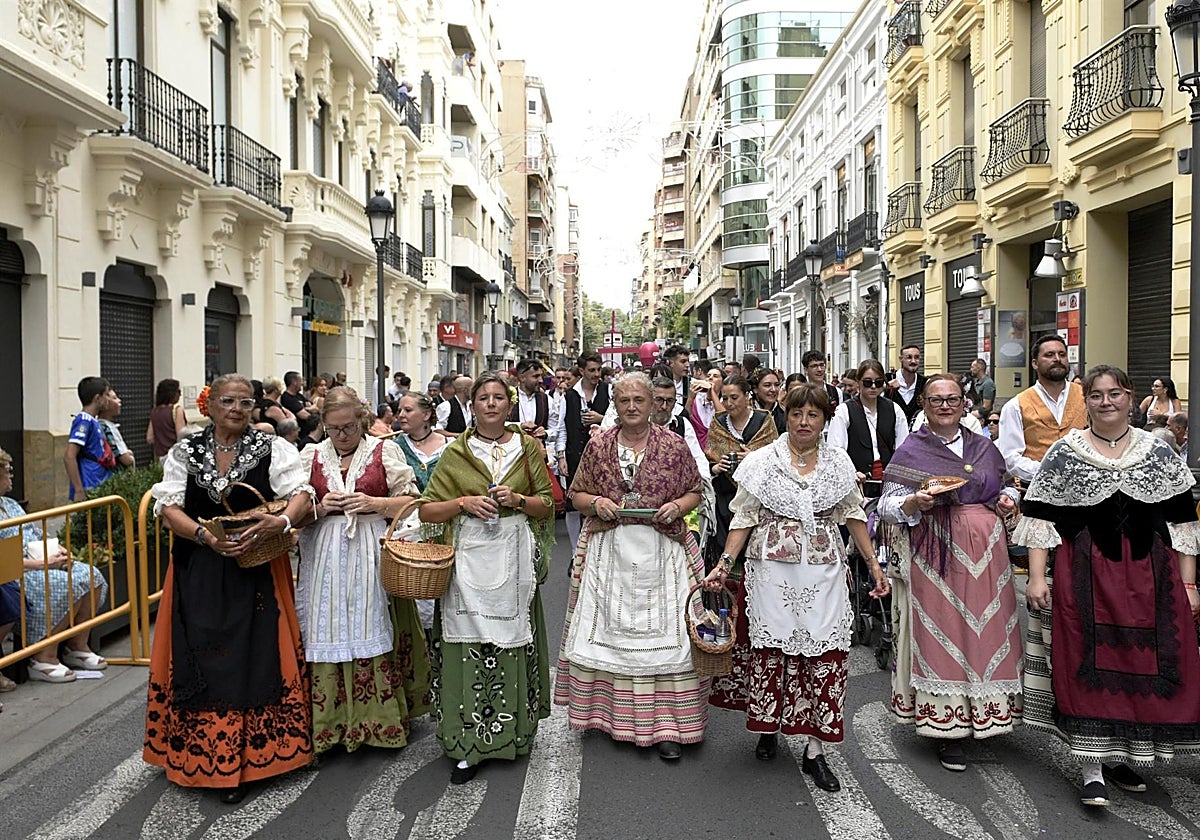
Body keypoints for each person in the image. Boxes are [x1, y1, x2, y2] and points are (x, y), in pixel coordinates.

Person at [1013, 365, 1200, 807]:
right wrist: (1038, 577)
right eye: (1096, 395)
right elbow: (1041, 519)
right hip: (1085, 573)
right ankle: (1092, 767)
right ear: (1087, 401)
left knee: (1139, 666)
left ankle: (1124, 757)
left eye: (1114, 394)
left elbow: (1182, 524)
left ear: (1130, 397)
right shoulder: (1065, 453)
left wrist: (1190, 585)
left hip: (1150, 575)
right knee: (1085, 661)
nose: (1106, 402)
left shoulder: (1158, 452)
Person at [702, 384, 888, 790]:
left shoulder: (839, 463)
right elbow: (743, 517)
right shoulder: (762, 462)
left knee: (824, 656)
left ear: (825, 420)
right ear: (785, 415)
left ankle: (815, 750)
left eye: (813, 415)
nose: (804, 422)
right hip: (771, 572)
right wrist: (722, 565)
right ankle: (770, 727)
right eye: (797, 414)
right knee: (772, 651)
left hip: (824, 572)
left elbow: (853, 514)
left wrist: (874, 565)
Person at [146, 373, 316, 803]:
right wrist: (204, 536)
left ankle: (250, 761)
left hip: (256, 568)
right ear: (209, 405)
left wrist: (278, 522)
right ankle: (205, 756)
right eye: (228, 401)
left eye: (245, 402)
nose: (237, 409)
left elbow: (300, 494)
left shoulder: (273, 447)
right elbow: (168, 508)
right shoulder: (186, 451)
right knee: (199, 655)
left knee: (254, 657)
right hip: (198, 569)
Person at [556, 372, 706, 760]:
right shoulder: (599, 446)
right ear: (615, 405)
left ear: (653, 402)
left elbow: (695, 491)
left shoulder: (673, 445)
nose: (633, 407)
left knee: (669, 638)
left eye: (640, 400)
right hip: (611, 551)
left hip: (663, 551)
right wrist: (595, 504)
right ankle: (610, 719)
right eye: (625, 401)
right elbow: (575, 494)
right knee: (613, 636)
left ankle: (671, 725)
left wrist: (678, 506)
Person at [878, 374, 1023, 772]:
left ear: (964, 403)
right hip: (935, 551)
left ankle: (988, 715)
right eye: (936, 399)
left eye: (953, 399)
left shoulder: (983, 446)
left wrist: (1009, 497)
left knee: (988, 631)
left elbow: (1007, 485)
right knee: (943, 632)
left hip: (987, 555)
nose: (945, 406)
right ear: (923, 405)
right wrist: (913, 501)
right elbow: (886, 506)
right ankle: (949, 728)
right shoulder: (912, 450)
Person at [417, 372, 555, 784]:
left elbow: (547, 504)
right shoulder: (456, 452)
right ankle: (467, 744)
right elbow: (426, 510)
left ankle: (512, 735)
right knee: (468, 645)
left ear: (509, 406)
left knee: (512, 641)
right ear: (471, 405)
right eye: (483, 398)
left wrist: (517, 500)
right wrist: (463, 502)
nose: (491, 404)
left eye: (499, 397)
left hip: (514, 557)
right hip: (467, 562)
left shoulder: (527, 447)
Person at [297, 387, 429, 754]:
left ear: (363, 422)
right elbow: (294, 510)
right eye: (335, 429)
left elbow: (414, 500)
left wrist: (376, 502)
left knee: (371, 620)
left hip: (370, 547)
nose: (342, 436)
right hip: (325, 553)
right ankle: (332, 724)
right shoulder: (310, 456)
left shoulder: (383, 450)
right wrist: (321, 507)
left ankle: (378, 722)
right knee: (329, 623)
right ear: (323, 425)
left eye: (350, 427)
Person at [0, 448, 110, 684]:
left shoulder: (10, 504)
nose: (11, 476)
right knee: (62, 583)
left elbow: (34, 533)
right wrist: (43, 563)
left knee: (90, 574)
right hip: (17, 571)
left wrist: (57, 551)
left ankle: (77, 645)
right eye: (7, 471)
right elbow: (4, 560)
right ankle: (43, 657)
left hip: (38, 559)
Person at [997, 334, 1087, 486]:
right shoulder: (1016, 405)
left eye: (1062, 354)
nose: (1057, 359)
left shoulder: (1087, 397)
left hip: (1085, 489)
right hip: (1038, 492)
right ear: (1034, 363)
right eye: (1049, 355)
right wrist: (1048, 472)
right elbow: (1010, 458)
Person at [827, 359, 908, 491]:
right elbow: (836, 450)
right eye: (867, 382)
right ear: (858, 382)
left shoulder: (894, 409)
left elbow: (903, 449)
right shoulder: (844, 411)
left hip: (888, 484)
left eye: (879, 382)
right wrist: (851, 473)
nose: (873, 387)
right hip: (856, 484)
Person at [562, 352, 612, 549]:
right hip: (575, 453)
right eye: (592, 370)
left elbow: (618, 420)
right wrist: (560, 457)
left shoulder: (608, 391)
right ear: (581, 370)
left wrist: (601, 419)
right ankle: (575, 552)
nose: (596, 374)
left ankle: (595, 547)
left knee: (599, 499)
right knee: (572, 504)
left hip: (602, 456)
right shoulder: (569, 395)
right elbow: (561, 428)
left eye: (599, 369)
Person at [64, 376, 115, 501]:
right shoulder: (84, 421)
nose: (108, 399)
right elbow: (69, 456)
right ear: (97, 398)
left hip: (99, 482)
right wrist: (79, 490)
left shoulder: (93, 421)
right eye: (106, 395)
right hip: (90, 484)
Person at [147, 379, 187, 462]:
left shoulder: (154, 412)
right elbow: (182, 436)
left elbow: (149, 438)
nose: (180, 395)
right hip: (175, 459)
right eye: (178, 391)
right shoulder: (176, 410)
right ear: (172, 393)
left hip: (161, 459)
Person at [886, 345, 927, 424]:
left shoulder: (925, 383)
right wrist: (884, 387)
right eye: (909, 357)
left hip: (917, 434)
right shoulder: (886, 379)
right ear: (901, 359)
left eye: (917, 357)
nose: (913, 361)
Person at [97, 387, 135, 468]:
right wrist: (130, 456)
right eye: (114, 398)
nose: (119, 401)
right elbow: (126, 460)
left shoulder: (105, 425)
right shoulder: (106, 427)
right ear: (105, 403)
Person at [751, 368, 786, 434]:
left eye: (776, 385)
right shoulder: (746, 411)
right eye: (767, 385)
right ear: (755, 389)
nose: (773, 389)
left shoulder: (785, 412)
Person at [966, 359, 997, 423]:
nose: (971, 369)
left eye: (972, 367)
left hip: (982, 419)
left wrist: (972, 414)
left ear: (979, 368)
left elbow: (987, 406)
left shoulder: (988, 383)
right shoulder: (976, 382)